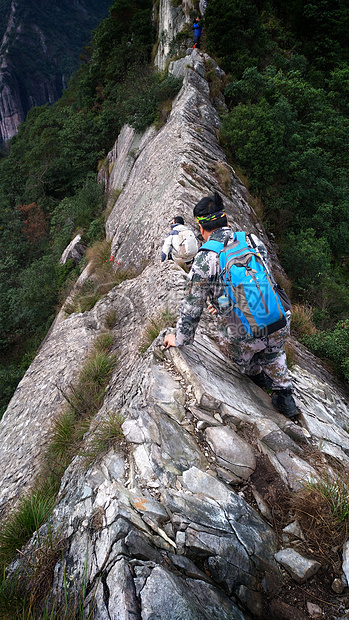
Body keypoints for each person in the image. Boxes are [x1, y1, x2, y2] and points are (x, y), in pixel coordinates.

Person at [163, 193, 298, 419]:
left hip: (243, 335)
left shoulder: (204, 260)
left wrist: (179, 338)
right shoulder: (252, 240)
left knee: (238, 350)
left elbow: (191, 308)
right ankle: (285, 396)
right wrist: (225, 302)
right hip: (279, 320)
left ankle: (254, 372)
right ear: (226, 221)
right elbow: (262, 281)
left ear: (202, 229)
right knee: (274, 353)